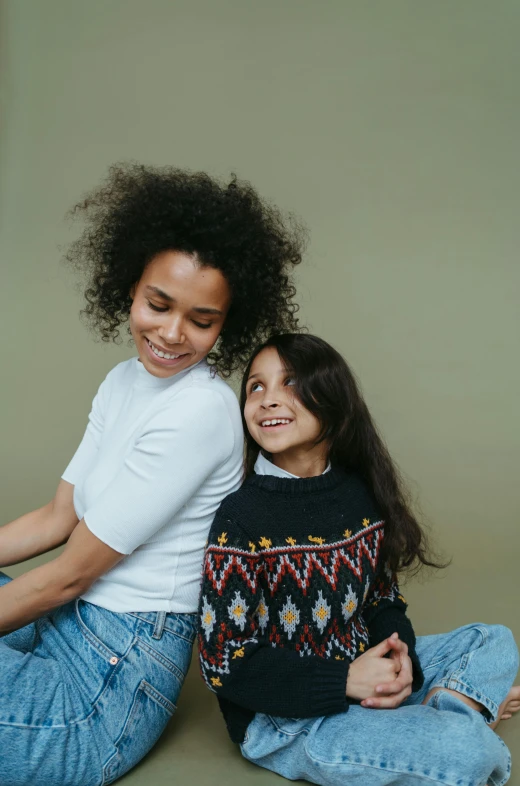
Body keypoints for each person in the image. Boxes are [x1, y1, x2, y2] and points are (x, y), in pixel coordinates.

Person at [0, 164, 306, 786]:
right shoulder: (122, 380)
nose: (170, 334)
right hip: (62, 623)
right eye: (157, 305)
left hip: (105, 685)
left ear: (228, 322)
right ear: (129, 289)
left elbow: (68, 575)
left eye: (201, 320)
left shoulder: (199, 409)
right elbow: (57, 519)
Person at [198, 333, 520, 786]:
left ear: (332, 402)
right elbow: (222, 662)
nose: (268, 400)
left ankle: (439, 712)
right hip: (287, 723)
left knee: (495, 640)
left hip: (361, 665)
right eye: (255, 387)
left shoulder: (356, 494)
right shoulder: (242, 517)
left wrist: (400, 654)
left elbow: (382, 599)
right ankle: (459, 718)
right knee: (466, 751)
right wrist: (346, 679)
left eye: (289, 383)